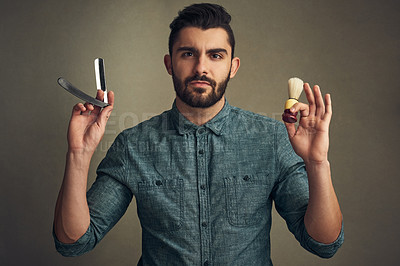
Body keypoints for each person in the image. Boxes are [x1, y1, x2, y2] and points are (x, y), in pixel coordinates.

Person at [53, 3, 344, 265]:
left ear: (232, 67)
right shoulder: (134, 145)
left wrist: (317, 163)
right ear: (170, 64)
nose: (201, 68)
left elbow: (324, 244)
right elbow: (74, 243)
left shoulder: (273, 139)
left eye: (215, 55)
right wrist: (78, 154)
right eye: (188, 53)